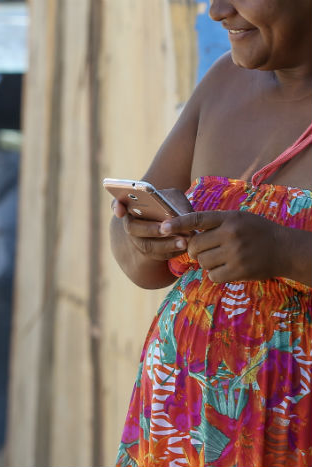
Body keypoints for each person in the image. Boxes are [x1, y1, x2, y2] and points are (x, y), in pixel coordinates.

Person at [111, 1, 312, 466]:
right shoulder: (224, 82)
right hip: (178, 428)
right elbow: (136, 258)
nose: (217, 9)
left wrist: (283, 250)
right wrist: (143, 237)